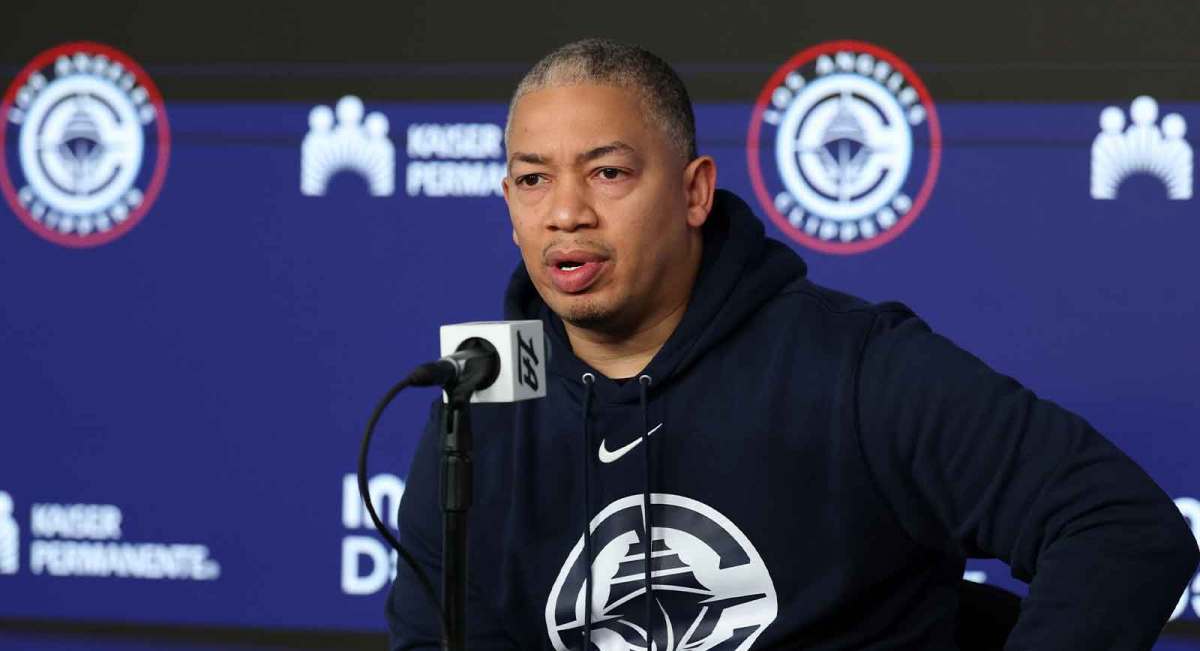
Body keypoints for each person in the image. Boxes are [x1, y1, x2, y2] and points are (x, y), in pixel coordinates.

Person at [387, 38, 1198, 650]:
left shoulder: (854, 367)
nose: (566, 213)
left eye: (607, 173)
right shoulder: (478, 407)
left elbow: (1121, 528)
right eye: (533, 179)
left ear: (695, 192)